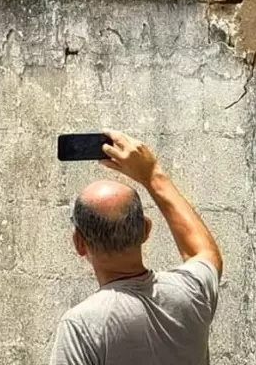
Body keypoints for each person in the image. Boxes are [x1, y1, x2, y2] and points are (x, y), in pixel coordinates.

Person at [50, 130, 223, 365]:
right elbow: (204, 253)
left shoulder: (81, 327)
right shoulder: (191, 293)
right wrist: (152, 174)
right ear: (146, 230)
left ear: (79, 244)